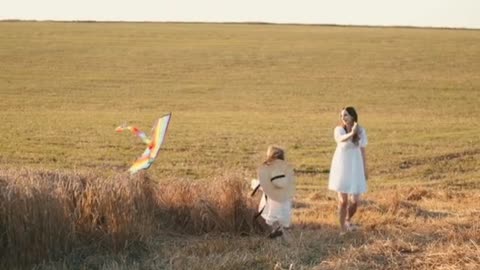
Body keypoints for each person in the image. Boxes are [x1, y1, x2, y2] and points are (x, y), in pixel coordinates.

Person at [328, 107, 368, 233]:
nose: (343, 118)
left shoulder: (361, 131)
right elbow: (341, 139)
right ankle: (342, 229)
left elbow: (362, 149)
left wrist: (365, 168)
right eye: (341, 116)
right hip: (342, 166)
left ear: (352, 116)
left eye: (345, 115)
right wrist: (352, 133)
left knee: (355, 201)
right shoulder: (339, 130)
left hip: (355, 166)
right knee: (343, 201)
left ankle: (348, 219)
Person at [251, 145, 295, 239]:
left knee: (273, 217)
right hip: (284, 200)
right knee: (281, 217)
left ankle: (276, 233)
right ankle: (280, 233)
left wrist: (254, 184)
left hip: (273, 201)